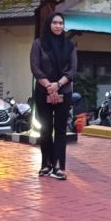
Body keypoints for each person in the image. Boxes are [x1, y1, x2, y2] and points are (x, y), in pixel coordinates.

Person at [30, 11, 77, 180]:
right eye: (55, 23)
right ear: (49, 24)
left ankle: (58, 166)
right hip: (43, 91)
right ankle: (46, 165)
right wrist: (49, 86)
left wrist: (57, 85)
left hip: (64, 90)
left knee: (60, 130)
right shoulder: (38, 44)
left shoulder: (70, 46)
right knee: (45, 129)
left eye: (61, 23)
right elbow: (35, 67)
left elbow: (72, 70)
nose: (58, 26)